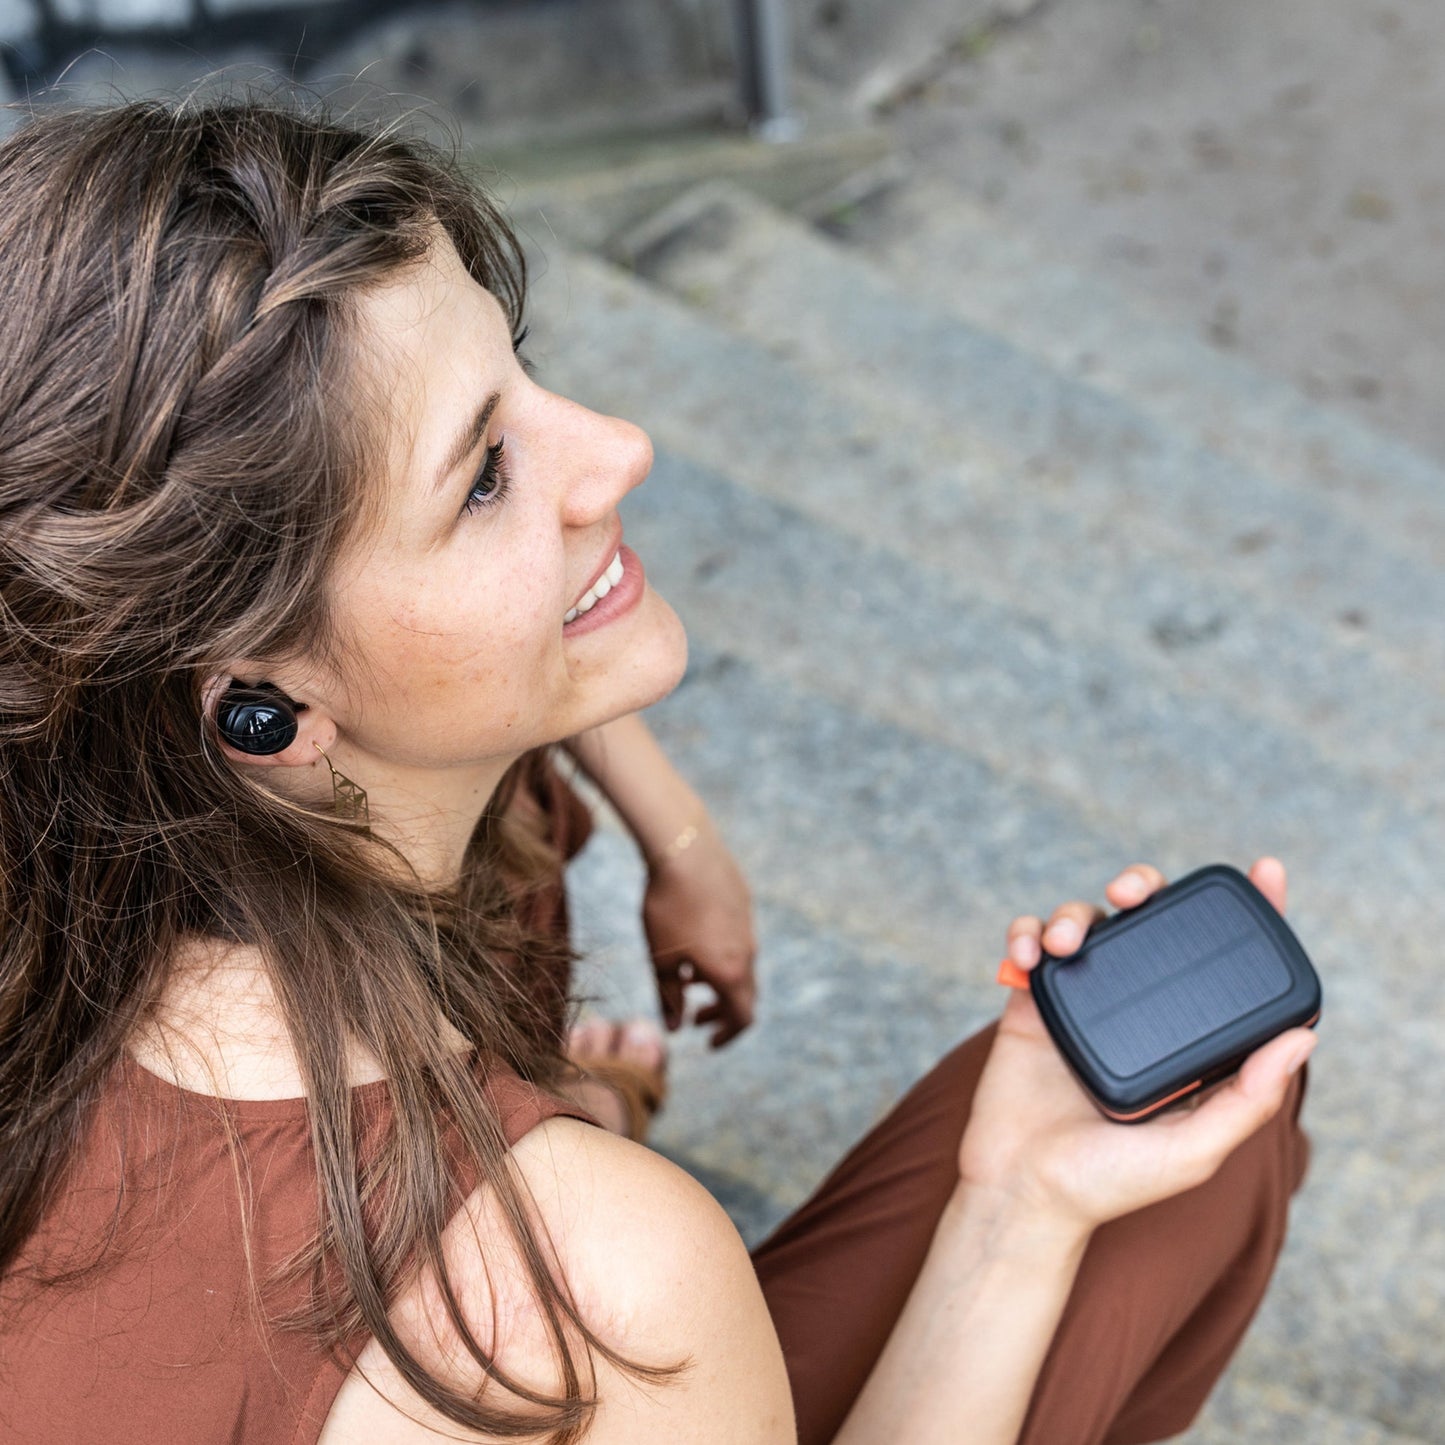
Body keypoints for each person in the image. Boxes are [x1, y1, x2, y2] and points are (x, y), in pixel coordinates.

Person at [0, 98, 1316, 1445]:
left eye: (521, 367)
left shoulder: (72, 803)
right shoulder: (584, 1293)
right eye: (486, 475)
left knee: (520, 814)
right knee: (1200, 1140)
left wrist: (677, 842)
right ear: (260, 711)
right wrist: (1015, 1204)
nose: (619, 446)